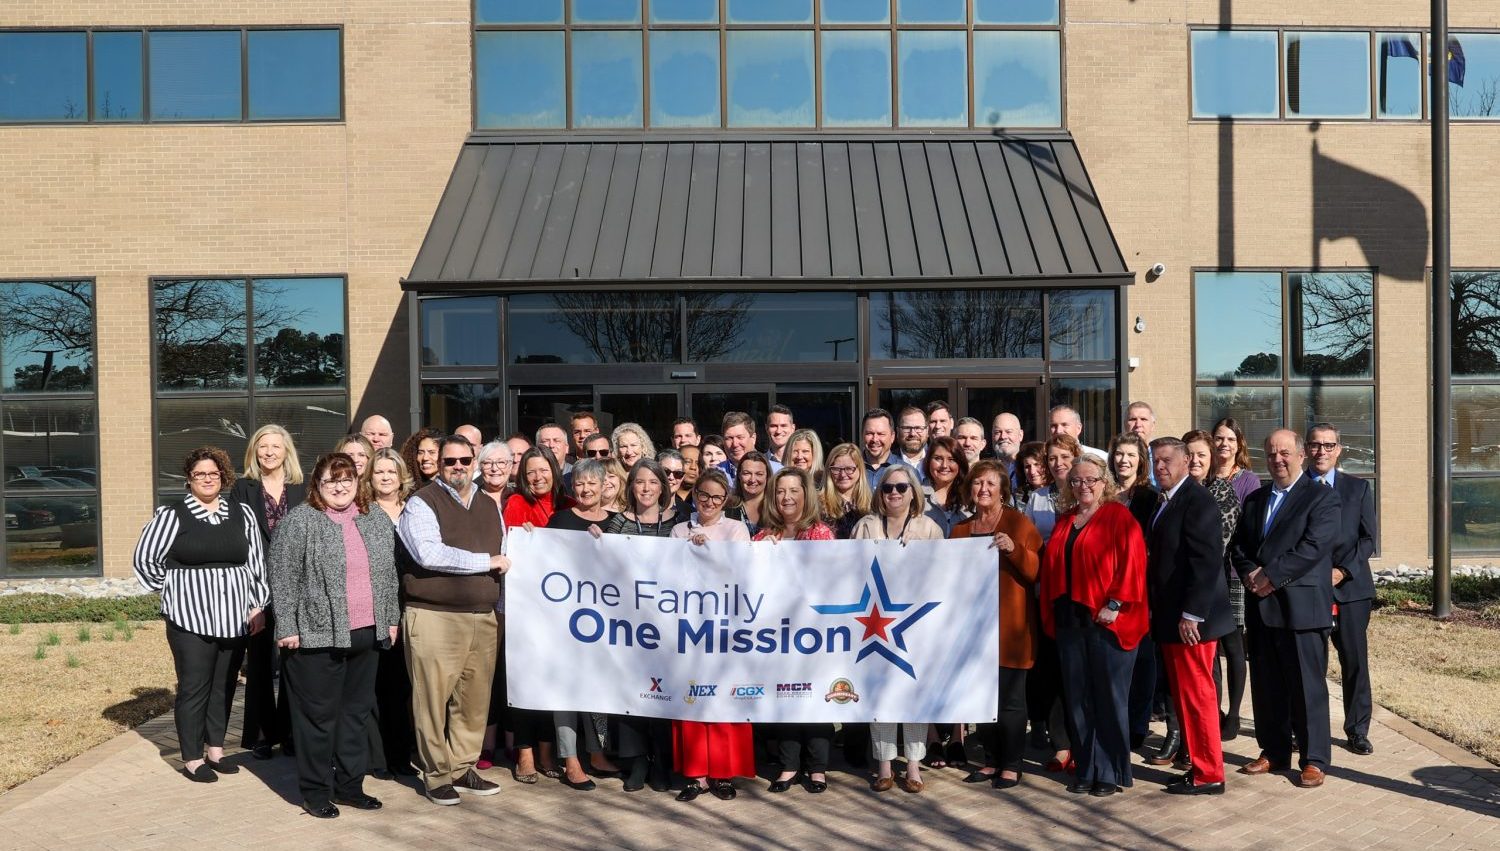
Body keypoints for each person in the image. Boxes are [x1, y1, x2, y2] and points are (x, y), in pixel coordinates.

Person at [269, 453, 400, 818]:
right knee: (318, 720)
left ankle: (349, 787)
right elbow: (282, 577)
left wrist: (389, 618)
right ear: (317, 484)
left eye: (347, 479)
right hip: (315, 637)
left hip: (366, 634)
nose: (340, 486)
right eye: (331, 480)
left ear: (358, 481)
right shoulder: (300, 521)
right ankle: (315, 793)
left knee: (355, 715)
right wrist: (288, 626)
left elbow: (388, 575)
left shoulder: (374, 519)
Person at [133, 447, 269, 783]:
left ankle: (216, 750)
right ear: (189, 480)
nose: (207, 479)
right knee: (195, 686)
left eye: (213, 474)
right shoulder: (173, 515)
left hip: (235, 615)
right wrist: (175, 589)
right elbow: (145, 560)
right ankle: (192, 758)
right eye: (199, 475)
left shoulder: (242, 514)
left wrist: (258, 605)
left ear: (223, 477)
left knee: (224, 685)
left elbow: (255, 564)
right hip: (189, 618)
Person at [397, 435, 510, 806]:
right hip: (434, 617)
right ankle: (436, 775)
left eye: (465, 460)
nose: (458, 467)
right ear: (438, 464)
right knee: (431, 699)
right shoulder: (421, 502)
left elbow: (505, 551)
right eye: (450, 462)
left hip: (482, 617)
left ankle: (462, 766)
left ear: (474, 461)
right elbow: (428, 554)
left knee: (474, 700)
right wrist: (486, 561)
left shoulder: (488, 504)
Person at [1230, 429, 1341, 789]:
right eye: (1272, 453)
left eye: (1285, 453)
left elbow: (1314, 547)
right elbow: (1240, 546)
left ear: (1301, 456)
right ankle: (1274, 751)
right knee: (1266, 685)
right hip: (1261, 606)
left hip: (1301, 608)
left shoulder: (1321, 498)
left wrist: (1272, 576)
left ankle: (1314, 759)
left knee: (1307, 687)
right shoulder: (1256, 499)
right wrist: (1250, 574)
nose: (1278, 459)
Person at [1038, 455, 1147, 797]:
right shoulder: (1066, 519)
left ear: (1105, 483)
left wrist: (1115, 603)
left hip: (1107, 620)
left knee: (1108, 700)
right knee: (1078, 700)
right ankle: (1085, 767)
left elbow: (1134, 563)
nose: (1083, 486)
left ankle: (1110, 770)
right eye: (1076, 481)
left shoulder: (1119, 516)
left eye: (1090, 480)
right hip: (1070, 620)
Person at [1145, 437, 1233, 796]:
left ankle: (1210, 773)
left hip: (1191, 622)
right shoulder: (1168, 500)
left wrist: (1192, 615)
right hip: (1172, 618)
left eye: (1167, 460)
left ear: (1184, 462)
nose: (1160, 467)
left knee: (1198, 697)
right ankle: (1198, 766)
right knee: (1185, 697)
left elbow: (1205, 561)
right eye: (1155, 461)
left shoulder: (1197, 500)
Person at [949, 461, 1042, 791]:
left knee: (1011, 700)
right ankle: (990, 759)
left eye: (990, 484)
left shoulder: (1019, 524)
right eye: (977, 483)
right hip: (972, 632)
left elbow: (1035, 571)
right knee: (980, 698)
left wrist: (1014, 550)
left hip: (1011, 629)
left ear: (1003, 490)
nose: (983, 489)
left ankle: (1011, 764)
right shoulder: (960, 531)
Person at [852, 464, 943, 794]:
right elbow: (847, 571)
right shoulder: (866, 525)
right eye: (888, 487)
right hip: (874, 622)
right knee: (881, 693)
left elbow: (943, 574)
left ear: (913, 492)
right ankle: (885, 764)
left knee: (912, 691)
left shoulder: (929, 528)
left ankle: (915, 764)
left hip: (914, 622)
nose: (894, 493)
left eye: (902, 488)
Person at [669, 468, 754, 802]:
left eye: (717, 497)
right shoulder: (679, 530)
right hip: (688, 627)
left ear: (726, 500)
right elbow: (669, 574)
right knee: (691, 699)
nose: (708, 502)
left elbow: (742, 571)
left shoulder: (736, 529)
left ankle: (722, 774)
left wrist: (709, 552)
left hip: (726, 627)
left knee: (723, 700)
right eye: (703, 495)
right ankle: (696, 776)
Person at [755, 468, 835, 794]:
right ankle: (789, 766)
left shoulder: (821, 534)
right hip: (776, 635)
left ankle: (817, 768)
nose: (787, 497)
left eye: (794, 490)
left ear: (806, 494)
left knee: (815, 699)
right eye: (781, 491)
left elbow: (833, 580)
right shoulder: (762, 537)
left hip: (815, 633)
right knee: (785, 697)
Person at [229, 425, 307, 760]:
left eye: (276, 446)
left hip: (298, 585)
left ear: (287, 450)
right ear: (254, 451)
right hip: (257, 587)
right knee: (259, 663)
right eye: (263, 447)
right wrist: (248, 597)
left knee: (295, 662)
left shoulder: (303, 488)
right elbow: (236, 541)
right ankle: (263, 734)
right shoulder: (242, 489)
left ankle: (290, 732)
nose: (270, 452)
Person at [600, 459, 678, 792]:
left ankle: (661, 762)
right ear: (630, 487)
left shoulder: (681, 522)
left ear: (664, 486)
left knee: (664, 693)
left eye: (653, 482)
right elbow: (600, 561)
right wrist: (594, 541)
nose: (645, 489)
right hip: (628, 624)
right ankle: (636, 762)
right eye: (639, 482)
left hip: (669, 624)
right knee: (631, 692)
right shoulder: (617, 522)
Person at [546, 459, 622, 790]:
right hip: (564, 622)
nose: (586, 489)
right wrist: (532, 536)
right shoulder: (560, 519)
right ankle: (571, 760)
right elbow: (542, 561)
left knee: (596, 688)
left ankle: (596, 753)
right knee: (565, 689)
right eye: (579, 483)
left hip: (603, 624)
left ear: (605, 484)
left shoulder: (616, 523)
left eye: (592, 483)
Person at [1306, 423, 1378, 756]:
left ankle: (1357, 729)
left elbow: (1368, 540)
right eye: (1315, 445)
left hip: (1350, 590)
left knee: (1354, 661)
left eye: (1328, 445)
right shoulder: (1296, 488)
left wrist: (1342, 570)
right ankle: (1306, 729)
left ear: (1339, 449)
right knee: (1310, 665)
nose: (1321, 451)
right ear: (1307, 449)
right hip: (1308, 589)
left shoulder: (1358, 489)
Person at [503, 446, 569, 782]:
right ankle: (525, 753)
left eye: (544, 470)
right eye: (531, 472)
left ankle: (547, 751)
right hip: (527, 608)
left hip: (561, 612)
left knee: (551, 683)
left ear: (555, 470)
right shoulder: (516, 504)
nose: (538, 477)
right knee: (525, 681)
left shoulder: (566, 504)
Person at [1182, 430, 1246, 743]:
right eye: (1190, 454)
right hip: (1187, 589)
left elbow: (1214, 545)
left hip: (1222, 581)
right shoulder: (1175, 492)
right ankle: (1213, 713)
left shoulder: (1222, 491)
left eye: (1201, 455)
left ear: (1211, 460)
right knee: (1206, 657)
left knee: (1230, 647)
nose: (1195, 460)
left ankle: (1232, 715)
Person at [368, 448, 418, 777]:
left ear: (401, 475)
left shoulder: (416, 510)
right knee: (382, 683)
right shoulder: (363, 513)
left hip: (414, 602)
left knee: (408, 685)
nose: (386, 477)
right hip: (377, 606)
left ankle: (404, 753)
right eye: (379, 472)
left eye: (391, 471)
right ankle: (381, 757)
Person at [473, 441, 515, 774]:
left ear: (512, 465)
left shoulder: (519, 497)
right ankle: (485, 743)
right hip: (485, 597)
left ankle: (513, 743)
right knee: (485, 673)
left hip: (521, 601)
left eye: (502, 463)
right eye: (489, 463)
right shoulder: (470, 499)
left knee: (512, 673)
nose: (496, 469)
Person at [820, 442, 871, 540]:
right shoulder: (818, 506)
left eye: (849, 469)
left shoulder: (872, 505)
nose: (842, 474)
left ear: (860, 470)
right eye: (836, 469)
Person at [922, 435, 970, 536]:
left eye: (951, 459)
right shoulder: (915, 496)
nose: (944, 465)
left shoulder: (971, 496)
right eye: (938, 458)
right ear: (928, 461)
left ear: (960, 463)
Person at [1109, 432, 1157, 532]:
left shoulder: (1151, 496)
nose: (1124, 460)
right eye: (1119, 454)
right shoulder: (1102, 492)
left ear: (1141, 460)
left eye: (1131, 455)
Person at [1211, 417, 1261, 506]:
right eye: (1219, 438)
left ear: (1239, 445)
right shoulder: (1204, 477)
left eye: (1231, 439)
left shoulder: (1249, 481)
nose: (1224, 444)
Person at [720, 412, 781, 482]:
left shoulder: (776, 472)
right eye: (729, 438)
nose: (735, 444)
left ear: (753, 438)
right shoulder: (715, 473)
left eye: (740, 437)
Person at [726, 451, 771, 534]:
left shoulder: (777, 507)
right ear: (739, 475)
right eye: (747, 473)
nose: (752, 480)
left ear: (767, 477)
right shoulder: (727, 507)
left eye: (759, 474)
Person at [860, 408, 903, 487]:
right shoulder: (850, 470)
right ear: (862, 435)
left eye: (881, 434)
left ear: (892, 437)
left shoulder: (907, 471)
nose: (875, 439)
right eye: (869, 433)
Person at [657, 449, 691, 521]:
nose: (671, 477)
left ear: (682, 477)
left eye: (678, 473)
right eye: (665, 472)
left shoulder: (690, 513)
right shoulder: (641, 508)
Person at [896, 406, 929, 479]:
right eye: (907, 428)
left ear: (927, 431)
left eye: (918, 428)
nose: (913, 433)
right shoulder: (887, 463)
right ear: (897, 432)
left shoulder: (936, 462)